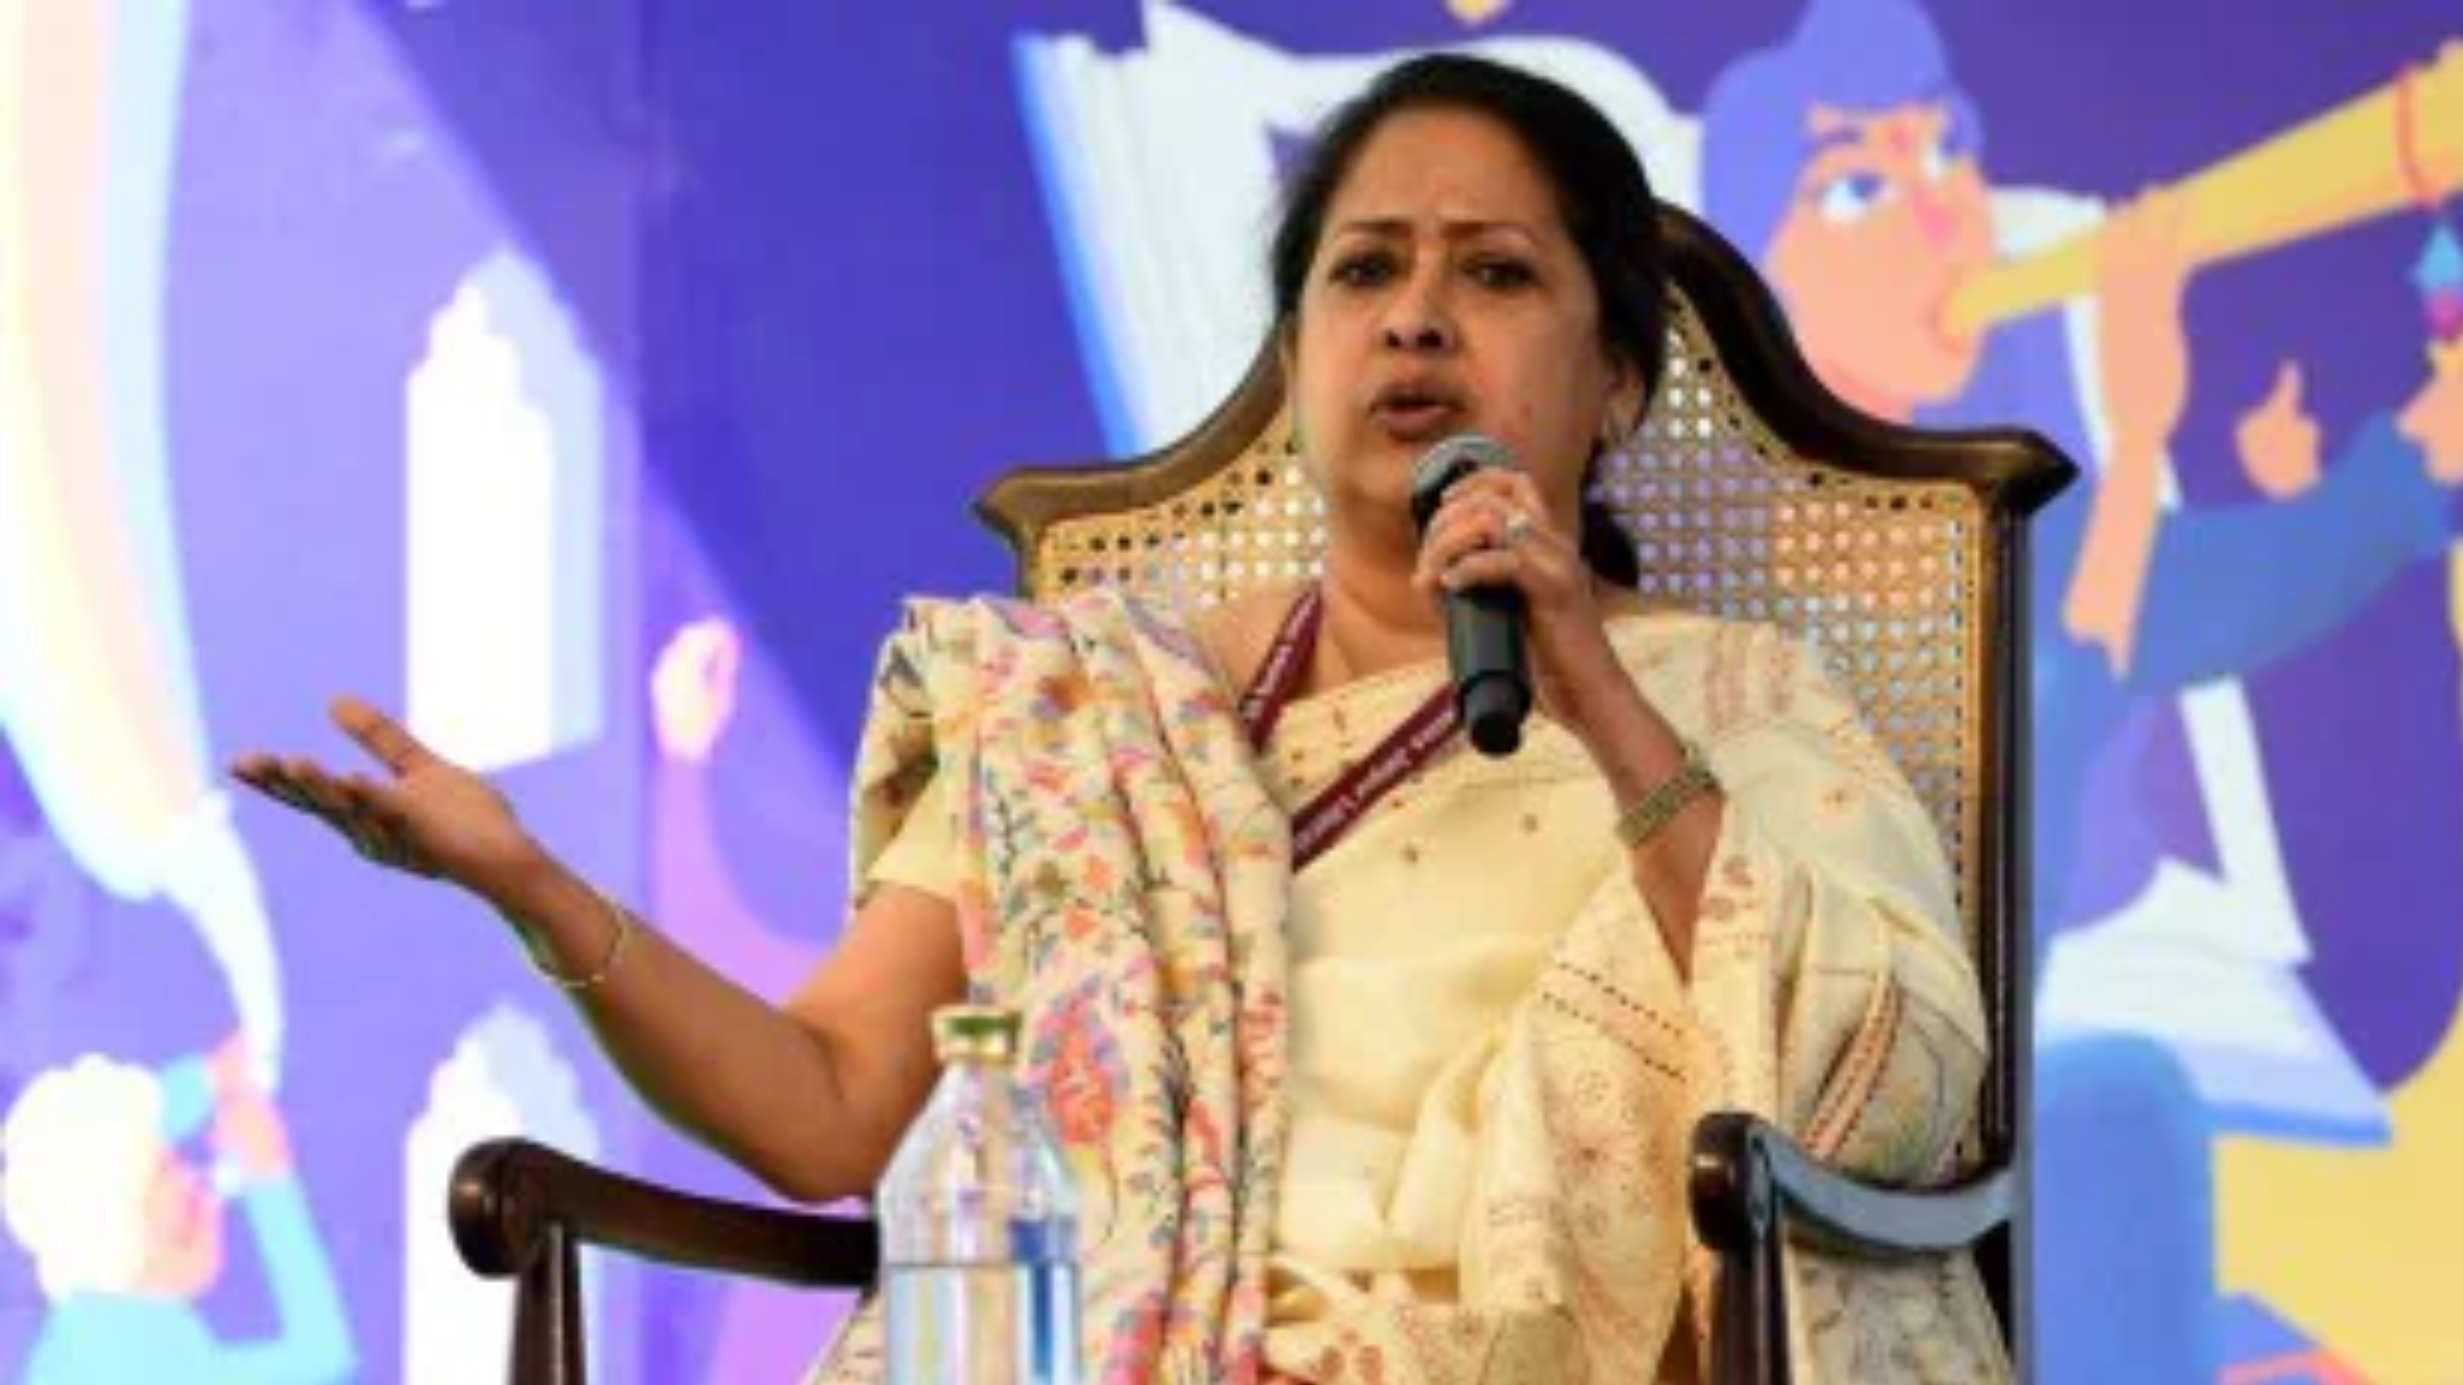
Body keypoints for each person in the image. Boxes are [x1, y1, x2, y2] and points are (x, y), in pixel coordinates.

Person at [231, 53, 2000, 1382]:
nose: (1414, 321)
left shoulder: (1731, 701)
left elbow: (1873, 1087)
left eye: (1494, 274)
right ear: (1294, 362)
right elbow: (831, 1107)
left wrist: (1590, 694)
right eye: (1363, 271)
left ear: (1614, 382)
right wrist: (533, 889)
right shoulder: (1081, 711)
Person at [0, 1037, 356, 1383]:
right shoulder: (152, 1366)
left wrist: (210, 1078)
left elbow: (99, 1154)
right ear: (121, 1228)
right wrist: (271, 1179)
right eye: (169, 1170)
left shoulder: (88, 1320)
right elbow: (324, 1357)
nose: (192, 1178)